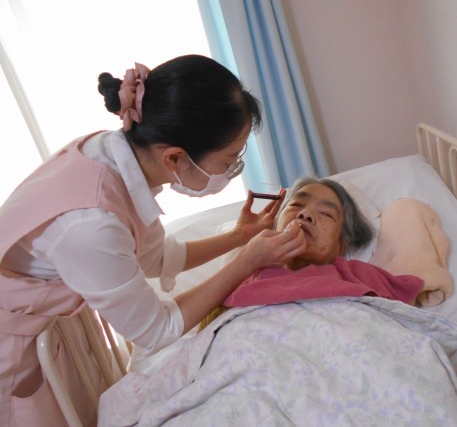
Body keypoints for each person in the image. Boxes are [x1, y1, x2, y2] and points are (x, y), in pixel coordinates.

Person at [0, 54, 306, 426]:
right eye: (228, 162)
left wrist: (239, 238)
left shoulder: (119, 158)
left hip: (52, 329)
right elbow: (156, 331)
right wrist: (247, 261)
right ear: (175, 157)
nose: (230, 172)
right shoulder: (91, 223)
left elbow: (159, 257)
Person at [222, 177, 425, 309]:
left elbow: (405, 315)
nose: (305, 214)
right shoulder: (242, 272)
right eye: (296, 205)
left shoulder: (358, 274)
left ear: (340, 245)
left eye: (326, 214)